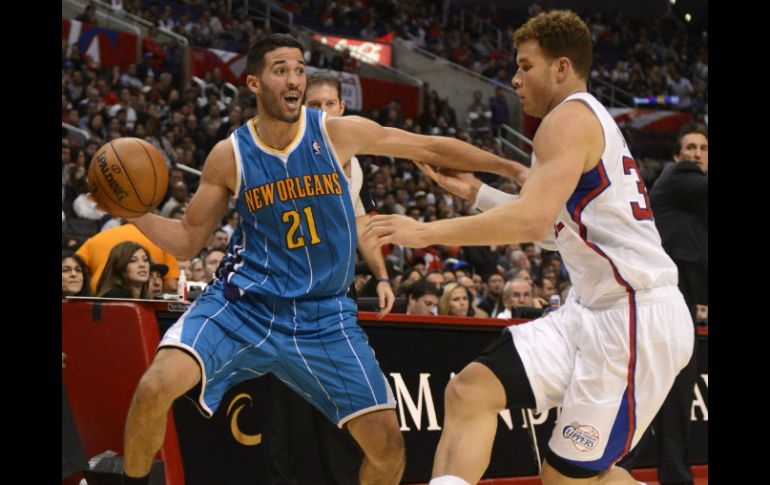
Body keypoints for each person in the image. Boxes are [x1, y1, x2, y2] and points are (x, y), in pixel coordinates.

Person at [112, 33, 524, 485]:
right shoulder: (229, 156)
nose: (294, 79)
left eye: (300, 69)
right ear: (253, 82)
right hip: (242, 304)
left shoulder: (335, 134)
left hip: (324, 316)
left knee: (388, 450)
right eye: (281, 70)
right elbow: (190, 240)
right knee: (154, 387)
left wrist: (511, 167)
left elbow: (428, 147)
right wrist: (132, 213)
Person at [364, 11, 693, 484]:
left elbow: (532, 219)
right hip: (591, 310)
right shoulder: (576, 124)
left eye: (525, 66)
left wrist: (424, 231)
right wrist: (476, 192)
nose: (515, 79)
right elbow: (552, 231)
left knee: (567, 479)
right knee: (469, 391)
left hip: (635, 318)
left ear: (561, 67)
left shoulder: (567, 119)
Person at [617, 123, 708, 485]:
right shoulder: (678, 176)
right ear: (676, 155)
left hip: (681, 305)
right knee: (649, 390)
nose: (697, 153)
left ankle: (674, 477)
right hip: (660, 300)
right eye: (690, 147)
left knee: (675, 395)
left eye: (703, 148)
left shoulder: (697, 203)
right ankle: (613, 469)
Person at [305, 70, 395, 315]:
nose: (323, 111)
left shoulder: (356, 161)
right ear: (302, 110)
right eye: (314, 105)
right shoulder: (290, 155)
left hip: (340, 285)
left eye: (330, 104)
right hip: (297, 282)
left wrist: (382, 279)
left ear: (342, 107)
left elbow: (362, 226)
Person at [76, 222, 180, 292]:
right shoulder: (161, 240)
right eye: (133, 260)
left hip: (98, 302)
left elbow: (73, 269)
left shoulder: (94, 240)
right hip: (144, 305)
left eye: (145, 260)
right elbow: (171, 285)